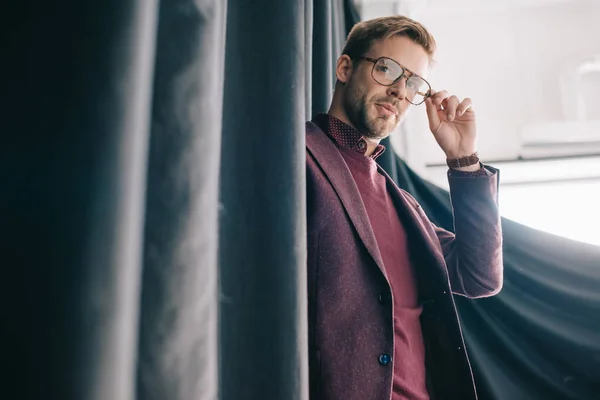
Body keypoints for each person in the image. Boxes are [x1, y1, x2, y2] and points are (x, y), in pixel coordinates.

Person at [306, 15, 503, 400]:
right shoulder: (299, 156)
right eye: (387, 69)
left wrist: (464, 159)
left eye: (412, 82)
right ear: (345, 68)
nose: (399, 90)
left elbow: (480, 276)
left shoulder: (404, 206)